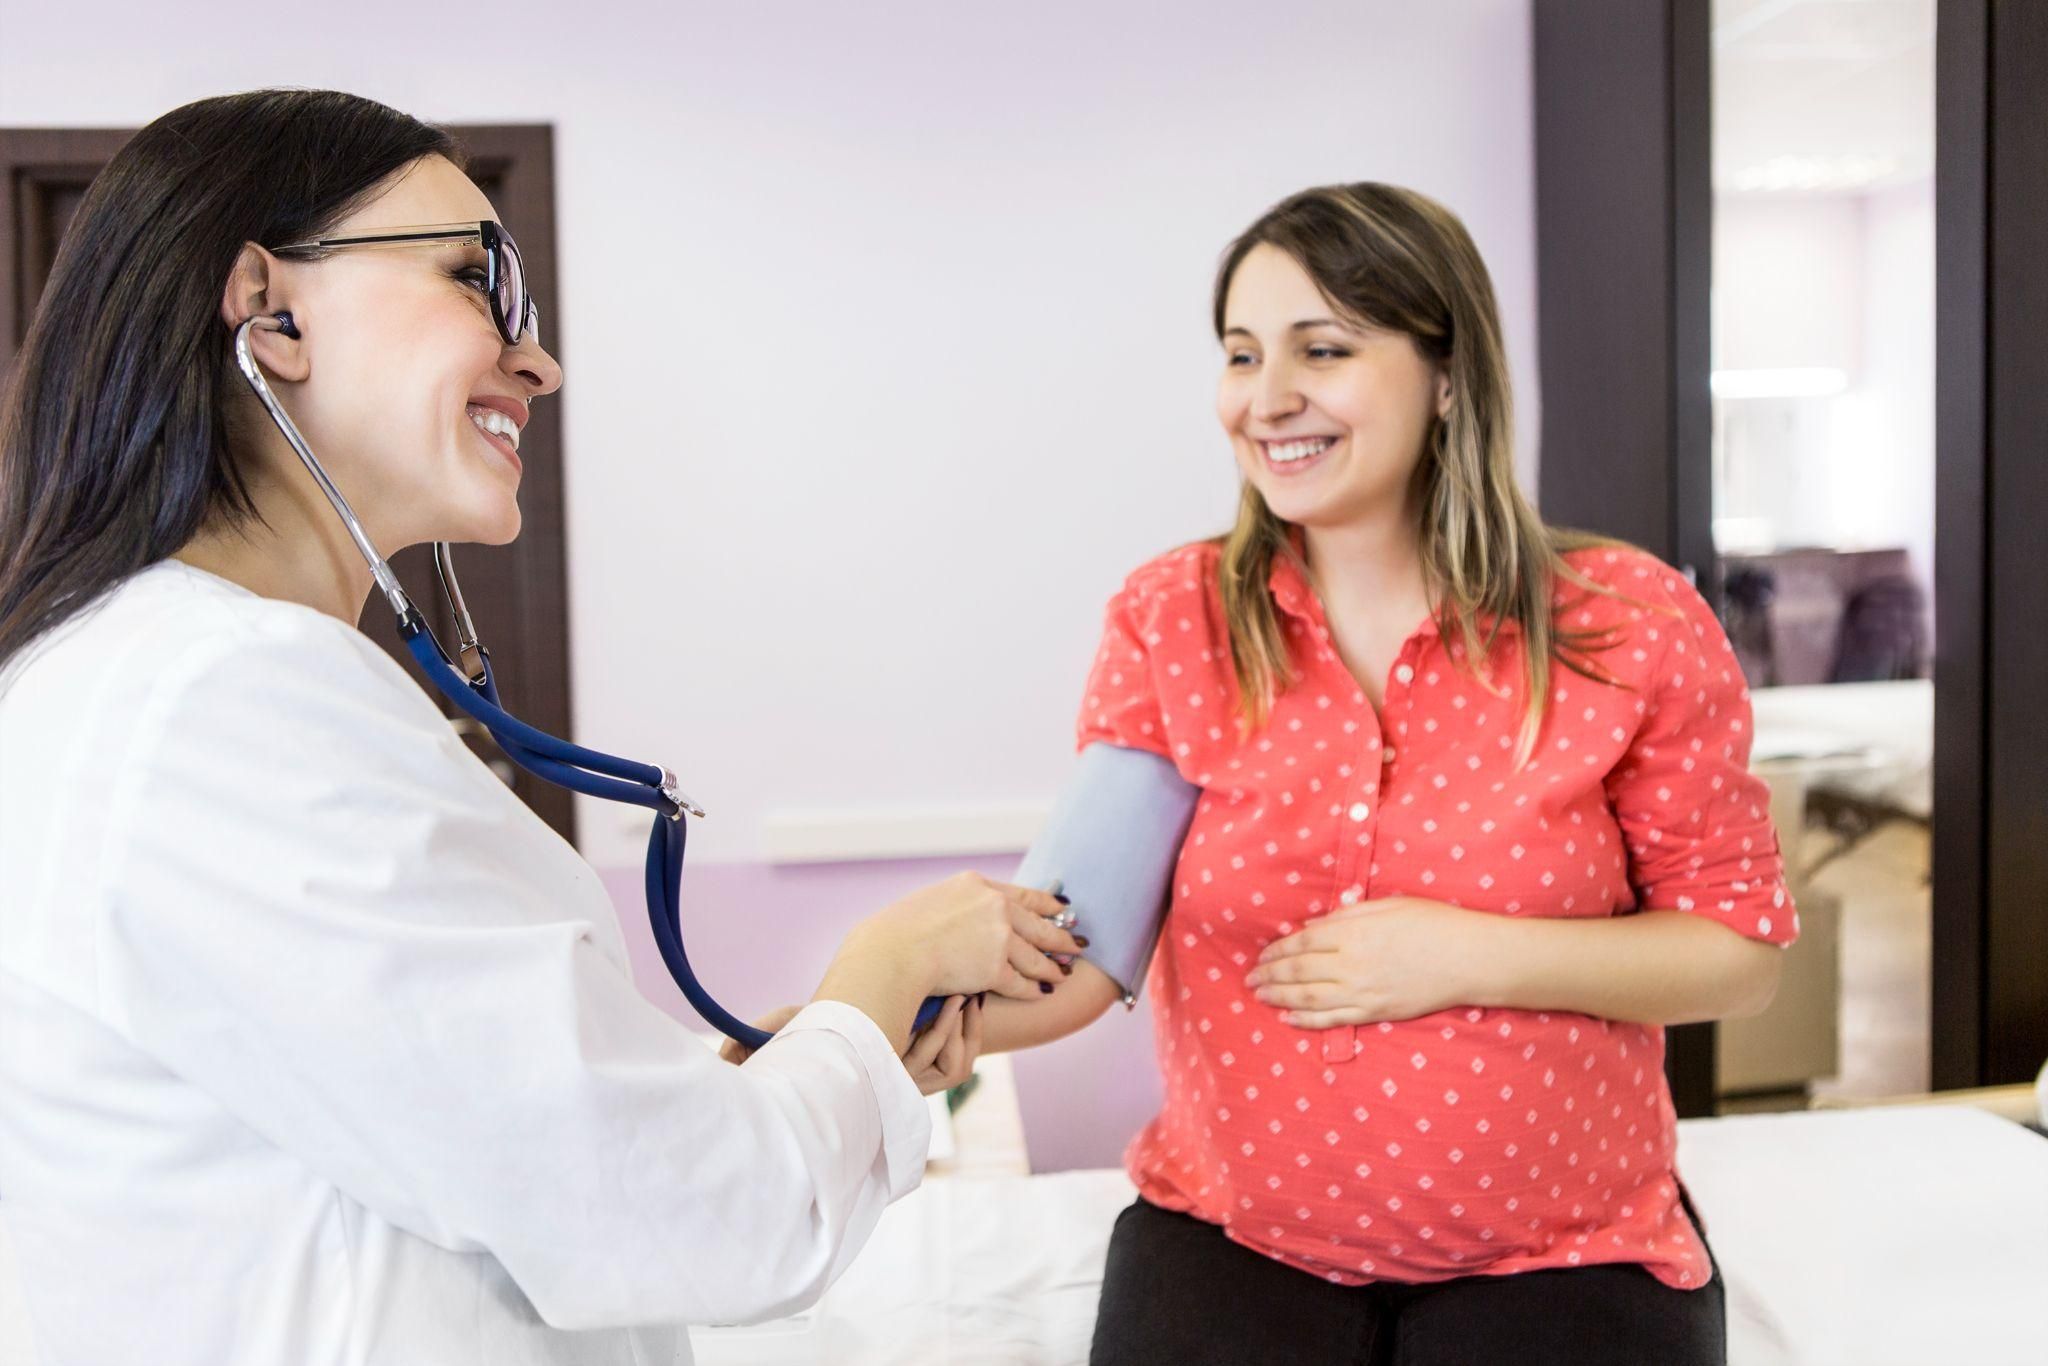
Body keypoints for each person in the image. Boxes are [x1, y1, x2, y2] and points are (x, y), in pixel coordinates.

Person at [0, 89, 1079, 1366]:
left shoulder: (146, 679)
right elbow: (703, 1212)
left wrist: (812, 1058)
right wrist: (882, 969)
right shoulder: (222, 706)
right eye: (472, 276)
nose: (537, 359)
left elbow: (473, 1138)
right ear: (270, 309)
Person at [981, 183, 1795, 1366]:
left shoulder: (1626, 624)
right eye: (1241, 355)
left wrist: (1456, 950)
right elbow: (1078, 947)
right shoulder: (1174, 620)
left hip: (1563, 1249)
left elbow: (1736, 953)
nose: (1267, 400)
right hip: (1235, 1236)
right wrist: (863, 1025)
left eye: (1323, 350)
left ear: (1447, 373)